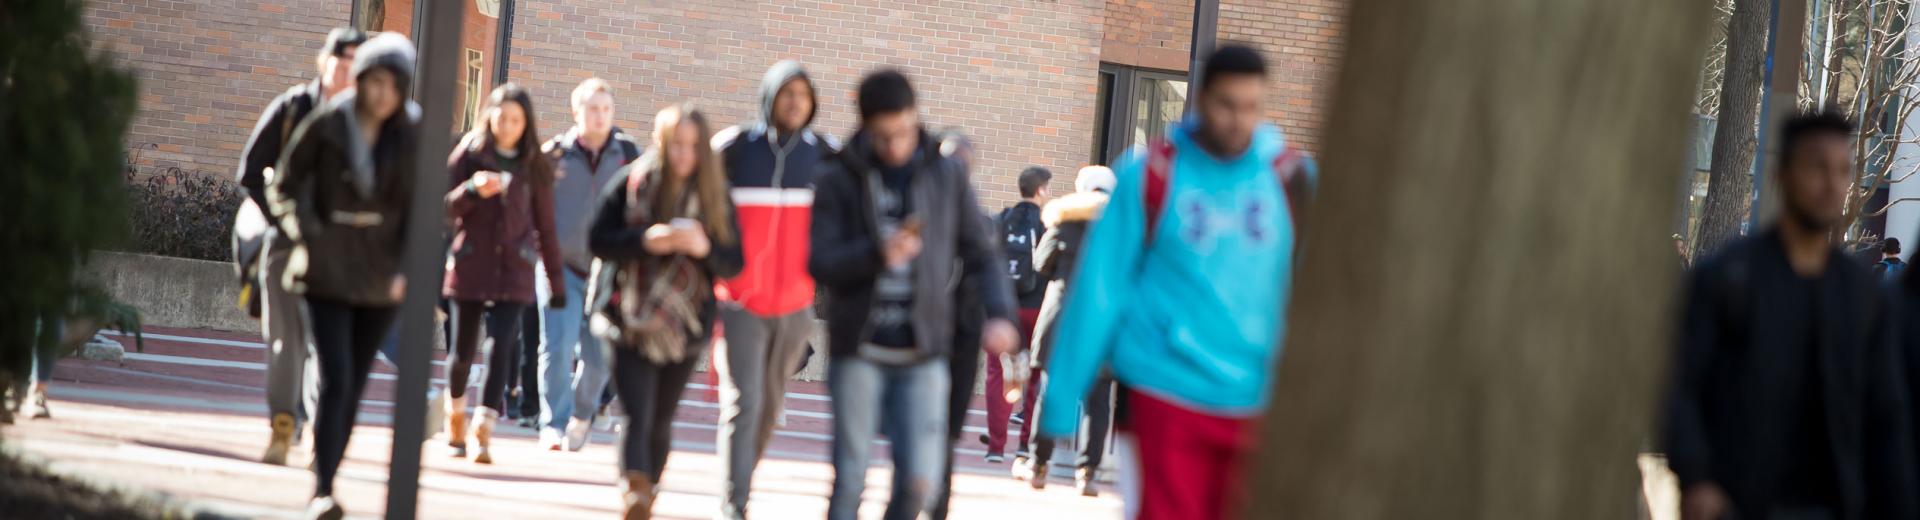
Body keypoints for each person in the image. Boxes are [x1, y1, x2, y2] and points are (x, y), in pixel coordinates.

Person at [1036, 45, 1315, 520]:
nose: (1238, 120)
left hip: (1259, 400)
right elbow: (1099, 292)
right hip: (1163, 391)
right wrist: (1061, 398)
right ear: (1202, 99)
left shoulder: (1291, 180)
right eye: (1227, 104)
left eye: (1251, 107)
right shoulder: (1150, 175)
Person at [1666, 112, 1917, 520]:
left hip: (1833, 504)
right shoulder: (1726, 279)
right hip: (1736, 500)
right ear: (1783, 173)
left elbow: (1886, 417)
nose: (1831, 183)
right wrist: (1696, 478)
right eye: (1817, 166)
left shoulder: (1864, 296)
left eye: (1842, 170)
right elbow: (1681, 386)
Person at [811, 69, 1020, 520]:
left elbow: (983, 254)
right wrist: (876, 254)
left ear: (915, 116)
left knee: (920, 482)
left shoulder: (945, 175)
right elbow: (820, 262)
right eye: (882, 137)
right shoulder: (838, 176)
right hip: (860, 348)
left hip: (924, 348)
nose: (894, 147)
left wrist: (1001, 314)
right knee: (850, 479)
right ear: (865, 126)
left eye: (902, 132)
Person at [266, 32, 418, 520]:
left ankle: (328, 462)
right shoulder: (329, 122)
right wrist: (309, 232)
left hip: (380, 275)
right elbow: (284, 187)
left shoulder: (412, 134)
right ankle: (324, 488)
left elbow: (424, 212)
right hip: (325, 268)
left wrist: (407, 271)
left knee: (354, 384)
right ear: (360, 79)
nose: (382, 95)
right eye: (374, 82)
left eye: (392, 86)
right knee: (336, 374)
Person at [586, 104, 743, 520]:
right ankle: (634, 493)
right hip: (626, 317)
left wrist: (704, 248)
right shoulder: (632, 181)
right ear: (662, 141)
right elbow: (598, 239)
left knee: (660, 418)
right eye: (677, 145)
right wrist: (645, 240)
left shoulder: (715, 193)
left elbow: (734, 261)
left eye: (693, 146)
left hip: (685, 324)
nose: (684, 155)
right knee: (638, 412)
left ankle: (648, 492)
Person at [708, 60, 833, 519]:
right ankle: (734, 504)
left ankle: (741, 479)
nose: (795, 101)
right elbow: (702, 205)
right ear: (770, 97)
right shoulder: (735, 148)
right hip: (741, 302)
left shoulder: (826, 154)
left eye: (803, 93)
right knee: (745, 401)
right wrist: (721, 268)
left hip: (796, 306)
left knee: (769, 409)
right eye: (787, 93)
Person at [237, 26, 366, 466]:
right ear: (323, 61)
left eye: (355, 62)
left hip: (341, 253)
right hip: (286, 247)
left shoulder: (368, 122)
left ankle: (317, 435)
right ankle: (282, 428)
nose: (346, 69)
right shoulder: (293, 108)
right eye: (340, 59)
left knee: (328, 347)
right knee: (285, 342)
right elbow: (251, 172)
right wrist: (282, 222)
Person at [439, 83, 566, 465]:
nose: (508, 126)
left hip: (516, 270)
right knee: (461, 353)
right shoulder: (470, 154)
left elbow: (546, 226)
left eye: (516, 119)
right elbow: (443, 208)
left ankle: (483, 430)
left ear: (525, 123)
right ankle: (456, 413)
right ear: (489, 117)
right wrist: (472, 192)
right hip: (471, 264)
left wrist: (556, 283)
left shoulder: (533, 166)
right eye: (502, 117)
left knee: (500, 349)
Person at [539, 78, 643, 452]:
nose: (598, 116)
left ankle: (583, 415)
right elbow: (533, 205)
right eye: (590, 108)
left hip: (608, 270)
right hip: (560, 266)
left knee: (600, 355)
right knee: (558, 346)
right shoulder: (554, 154)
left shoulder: (629, 153)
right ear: (575, 112)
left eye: (605, 109)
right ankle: (554, 423)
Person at [1022, 165, 1118, 494]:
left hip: (1063, 314)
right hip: (1103, 319)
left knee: (1052, 391)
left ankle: (1038, 463)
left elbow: (1040, 264)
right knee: (1098, 398)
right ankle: (1087, 472)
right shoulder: (1123, 223)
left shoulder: (1065, 220)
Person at [986, 166, 1051, 464]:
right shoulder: (1047, 224)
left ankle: (996, 447)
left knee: (999, 373)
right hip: (1036, 308)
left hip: (1003, 308)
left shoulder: (1002, 220)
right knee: (1033, 374)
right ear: (1040, 191)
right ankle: (1025, 444)